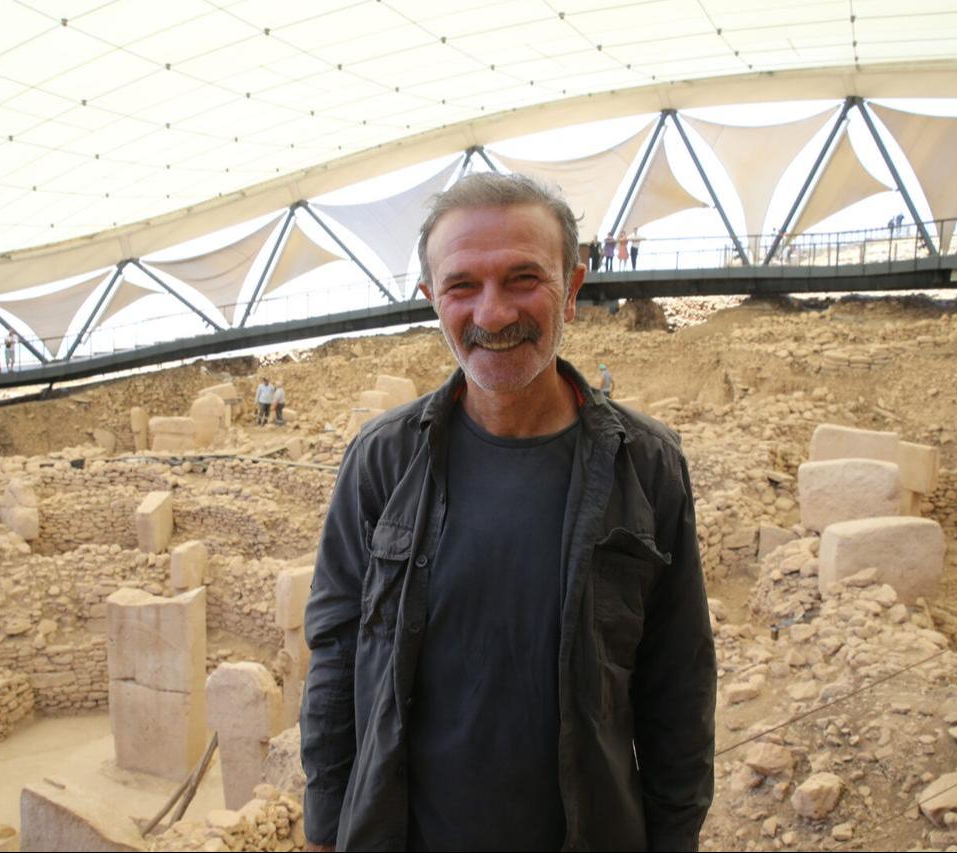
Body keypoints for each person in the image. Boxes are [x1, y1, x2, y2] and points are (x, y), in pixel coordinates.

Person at [301, 173, 715, 852]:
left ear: (572, 288)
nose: (492, 314)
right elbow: (337, 655)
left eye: (523, 278)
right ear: (433, 299)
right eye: (463, 285)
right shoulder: (381, 461)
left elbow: (680, 683)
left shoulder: (647, 464)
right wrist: (323, 831)